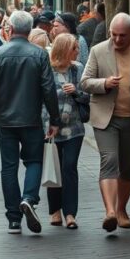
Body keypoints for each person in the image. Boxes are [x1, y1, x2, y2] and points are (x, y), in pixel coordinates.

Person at [0, 10, 59, 235]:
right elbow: (48, 89)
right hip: (32, 119)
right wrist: (54, 118)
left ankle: (14, 218)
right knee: (34, 161)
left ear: (10, 29)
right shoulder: (40, 55)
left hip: (5, 120)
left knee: (9, 166)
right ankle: (29, 198)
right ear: (30, 29)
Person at [80, 13, 130, 233]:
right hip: (105, 118)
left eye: (123, 36)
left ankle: (121, 210)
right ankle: (109, 212)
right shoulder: (98, 50)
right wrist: (104, 83)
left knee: (128, 166)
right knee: (109, 159)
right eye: (114, 35)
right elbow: (85, 81)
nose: (117, 40)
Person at [44, 33, 90, 231]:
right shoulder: (47, 69)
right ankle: (55, 211)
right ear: (65, 49)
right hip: (51, 126)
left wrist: (76, 92)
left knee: (69, 168)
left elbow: (88, 96)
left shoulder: (77, 69)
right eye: (75, 48)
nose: (78, 51)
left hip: (74, 127)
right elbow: (41, 96)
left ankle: (70, 213)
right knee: (54, 166)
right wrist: (63, 91)